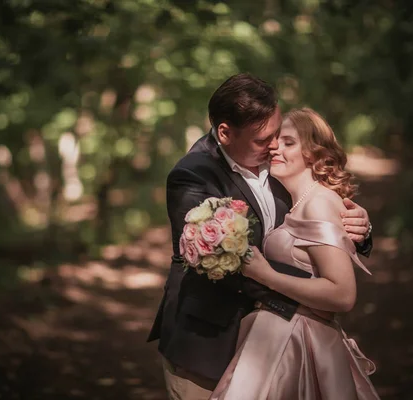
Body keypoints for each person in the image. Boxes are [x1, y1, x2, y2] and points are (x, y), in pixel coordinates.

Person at [147, 73, 373, 400]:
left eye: (278, 134)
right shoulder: (192, 177)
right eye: (262, 139)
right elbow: (220, 263)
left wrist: (359, 229)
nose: (274, 145)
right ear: (225, 133)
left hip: (276, 345)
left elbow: (315, 215)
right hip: (208, 344)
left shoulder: (281, 165)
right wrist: (319, 296)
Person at [209, 107, 379, 399]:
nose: (275, 147)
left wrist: (267, 276)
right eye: (275, 140)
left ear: (312, 153)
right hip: (278, 334)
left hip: (299, 342)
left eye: (288, 142)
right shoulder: (297, 200)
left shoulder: (318, 203)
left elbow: (342, 294)